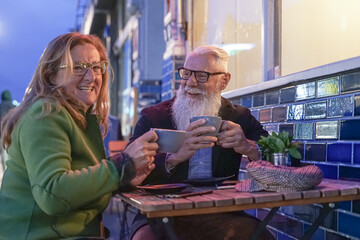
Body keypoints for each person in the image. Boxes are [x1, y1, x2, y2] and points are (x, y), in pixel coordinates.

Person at [0, 33, 158, 240]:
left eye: (95, 67)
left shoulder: (74, 117)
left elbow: (77, 188)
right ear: (51, 75)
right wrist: (121, 165)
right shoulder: (45, 115)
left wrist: (123, 178)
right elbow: (53, 194)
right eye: (78, 67)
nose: (91, 76)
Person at [127, 45, 273, 240]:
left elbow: (284, 159)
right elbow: (126, 167)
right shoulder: (153, 117)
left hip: (220, 212)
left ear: (224, 81)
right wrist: (173, 158)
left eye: (202, 75)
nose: (191, 82)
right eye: (186, 74)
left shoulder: (239, 117)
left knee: (259, 236)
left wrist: (249, 147)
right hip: (161, 215)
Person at [0, 90, 16, 169]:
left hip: (2, 136)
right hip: (12, 136)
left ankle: (6, 173)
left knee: (4, 156)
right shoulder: (15, 108)